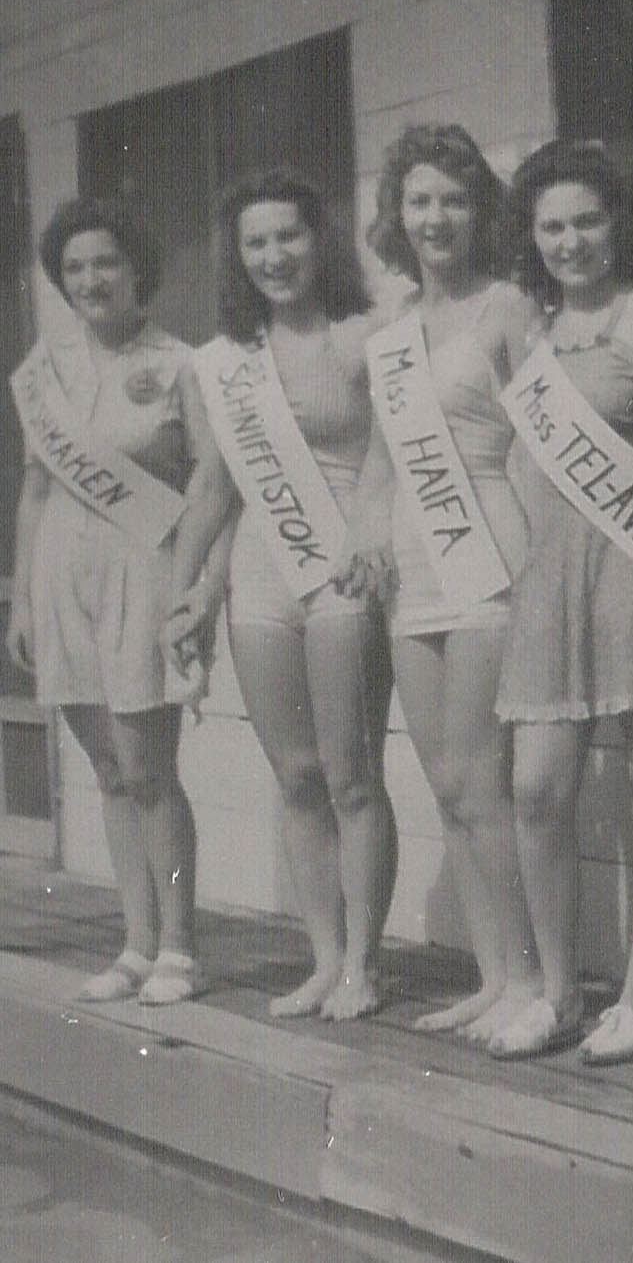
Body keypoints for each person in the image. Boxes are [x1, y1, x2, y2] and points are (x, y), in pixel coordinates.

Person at [165, 168, 397, 1021]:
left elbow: (395, 452)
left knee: (351, 774)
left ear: (318, 238)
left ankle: (365, 965)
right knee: (295, 774)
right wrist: (183, 589)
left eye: (288, 236)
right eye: (256, 243)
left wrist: (369, 528)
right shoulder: (222, 363)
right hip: (262, 574)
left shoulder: (367, 334)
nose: (274, 256)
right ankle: (326, 957)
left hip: (344, 565)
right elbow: (215, 488)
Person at [489, 140, 633, 1058]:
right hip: (547, 580)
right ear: (530, 238)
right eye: (552, 225)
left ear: (619, 224)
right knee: (536, 790)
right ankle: (562, 991)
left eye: (588, 220)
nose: (571, 241)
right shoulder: (525, 332)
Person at [7, 196, 229, 1004]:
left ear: (138, 270)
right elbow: (34, 489)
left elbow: (210, 478)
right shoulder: (44, 371)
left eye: (105, 262)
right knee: (105, 767)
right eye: (73, 267)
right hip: (64, 569)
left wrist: (193, 585)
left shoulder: (179, 363)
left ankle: (179, 947)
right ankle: (135, 943)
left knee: (148, 767)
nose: (90, 280)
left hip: (144, 564)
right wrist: (26, 599)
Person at [350, 123, 541, 1040]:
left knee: (484, 780)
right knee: (446, 786)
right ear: (398, 214)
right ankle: (492, 974)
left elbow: (544, 447)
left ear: (481, 213)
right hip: (411, 575)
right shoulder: (390, 334)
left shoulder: (506, 307)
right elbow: (384, 463)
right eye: (420, 200)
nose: (436, 217)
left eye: (455, 200)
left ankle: (531, 980)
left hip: (486, 557)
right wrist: (364, 536)